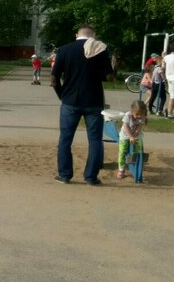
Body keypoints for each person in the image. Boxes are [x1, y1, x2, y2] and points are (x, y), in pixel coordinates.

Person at [51, 24, 114, 185]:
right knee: (95, 140)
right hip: (94, 100)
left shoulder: (64, 50)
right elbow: (109, 77)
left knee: (65, 139)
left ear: (76, 35)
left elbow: (54, 78)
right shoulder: (100, 49)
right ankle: (91, 177)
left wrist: (61, 95)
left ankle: (65, 175)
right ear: (94, 36)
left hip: (70, 100)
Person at [117, 100, 148, 180]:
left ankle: (137, 164)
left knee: (138, 150)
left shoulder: (143, 116)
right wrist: (130, 136)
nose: (139, 116)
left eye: (141, 114)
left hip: (136, 135)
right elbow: (126, 127)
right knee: (122, 151)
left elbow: (139, 127)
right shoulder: (127, 116)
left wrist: (135, 135)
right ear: (132, 111)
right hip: (125, 135)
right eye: (137, 114)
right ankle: (121, 169)